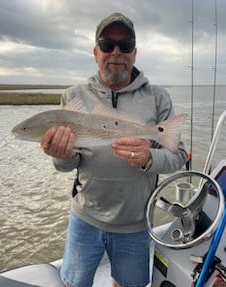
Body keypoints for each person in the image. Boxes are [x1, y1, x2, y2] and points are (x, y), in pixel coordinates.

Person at [41, 12, 188, 287]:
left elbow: (178, 157)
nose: (116, 52)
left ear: (135, 52)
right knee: (73, 283)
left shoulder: (158, 98)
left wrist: (149, 157)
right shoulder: (73, 96)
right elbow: (66, 165)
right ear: (96, 51)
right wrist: (62, 156)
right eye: (107, 44)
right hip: (85, 218)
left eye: (126, 44)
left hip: (135, 225)